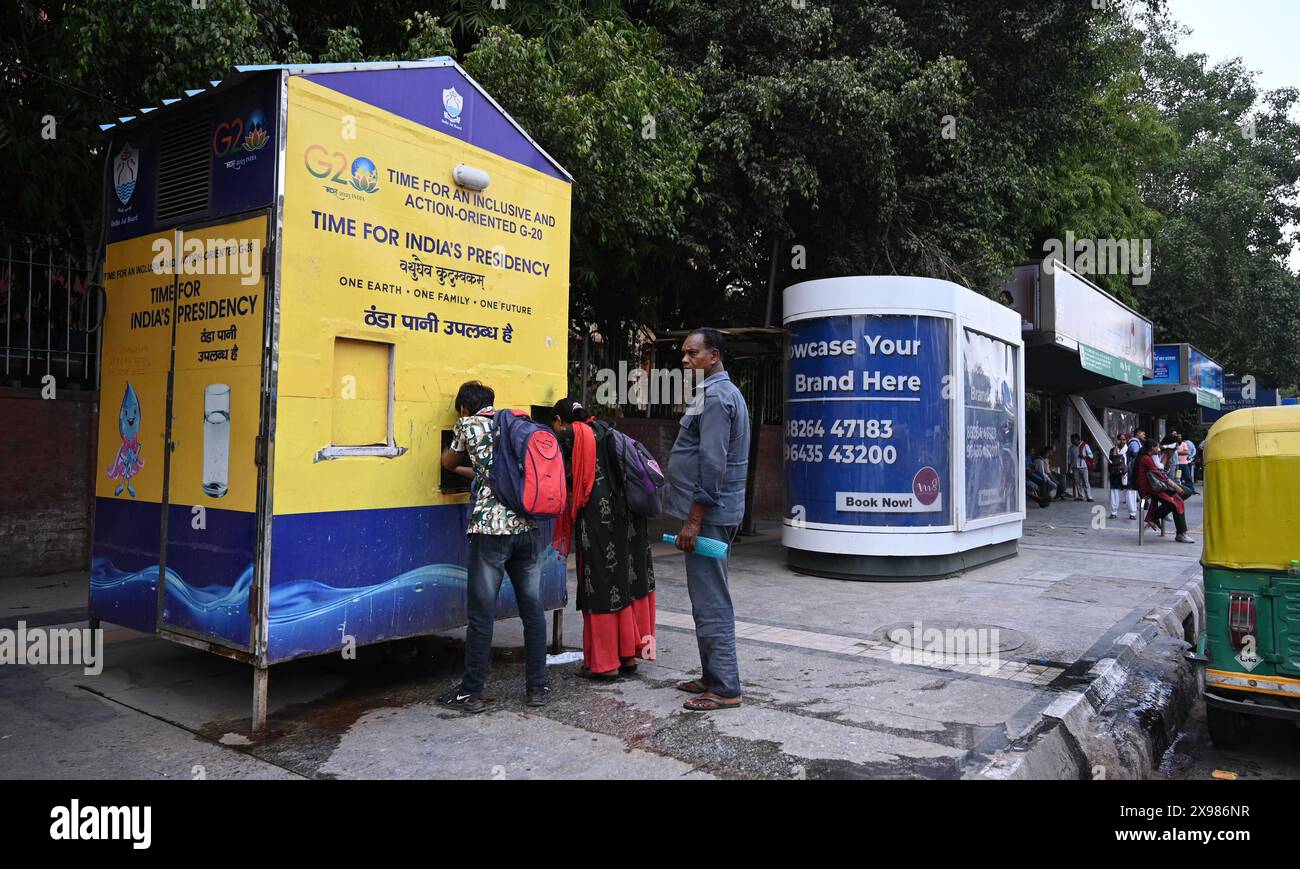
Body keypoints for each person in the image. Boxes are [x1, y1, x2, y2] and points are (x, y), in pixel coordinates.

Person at [437, 381, 550, 713]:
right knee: (532, 608)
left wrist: (452, 458)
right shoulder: (515, 424)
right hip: (527, 526)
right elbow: (501, 472)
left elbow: (447, 461)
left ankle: (471, 692)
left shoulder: (468, 424)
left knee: (482, 612)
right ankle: (537, 688)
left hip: (491, 529)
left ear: (463, 408)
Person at [667, 328, 750, 712]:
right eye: (684, 353)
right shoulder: (716, 393)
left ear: (713, 355)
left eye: (692, 353)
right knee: (705, 597)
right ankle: (712, 676)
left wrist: (694, 519)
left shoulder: (716, 397)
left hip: (710, 516)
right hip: (715, 513)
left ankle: (726, 687)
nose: (685, 360)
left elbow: (712, 464)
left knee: (711, 598)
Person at [549, 398, 655, 682]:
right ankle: (629, 656)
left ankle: (605, 663)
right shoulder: (608, 430)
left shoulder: (570, 434)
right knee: (629, 582)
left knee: (601, 584)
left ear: (560, 421)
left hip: (600, 521)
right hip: (630, 517)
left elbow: (544, 461)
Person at [1135, 438, 1195, 544]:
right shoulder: (1147, 458)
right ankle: (1181, 532)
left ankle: (1157, 515)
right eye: (1157, 447)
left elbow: (1162, 471)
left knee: (1184, 494)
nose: (1159, 448)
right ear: (1152, 448)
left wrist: (1169, 457)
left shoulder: (1152, 456)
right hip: (1153, 487)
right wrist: (1175, 486)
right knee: (1177, 502)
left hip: (1157, 484)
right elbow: (1159, 474)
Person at [1106, 435, 1131, 519]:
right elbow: (1111, 459)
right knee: (1114, 492)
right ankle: (1113, 512)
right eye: (1120, 439)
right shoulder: (1113, 450)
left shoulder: (1128, 450)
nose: (1122, 441)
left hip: (1126, 473)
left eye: (1124, 439)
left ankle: (1132, 513)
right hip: (1115, 474)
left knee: (1130, 493)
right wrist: (1116, 447)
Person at [1069, 433, 1094, 502]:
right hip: (1075, 467)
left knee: (1086, 482)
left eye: (1073, 440)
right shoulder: (1071, 447)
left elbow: (1091, 455)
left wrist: (1084, 456)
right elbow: (1069, 458)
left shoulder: (1085, 446)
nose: (1072, 441)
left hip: (1084, 466)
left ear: (1077, 439)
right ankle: (1081, 496)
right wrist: (1069, 468)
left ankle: (1089, 496)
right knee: (1078, 482)